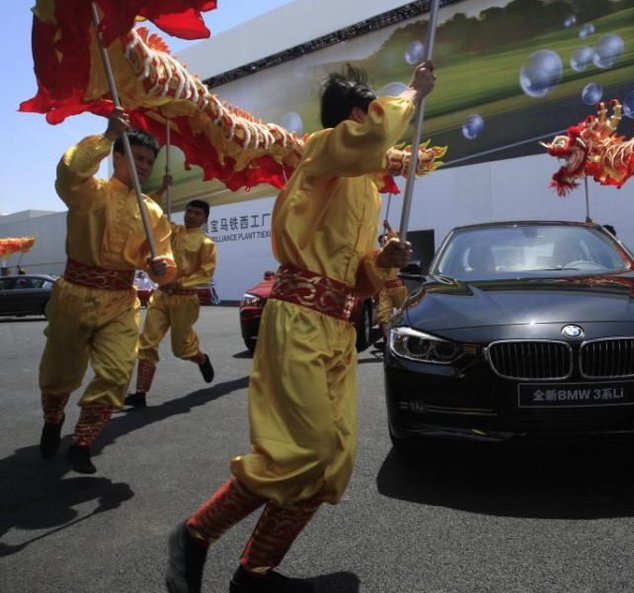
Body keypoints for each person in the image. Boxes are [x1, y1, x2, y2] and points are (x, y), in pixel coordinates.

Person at [164, 61, 435, 593]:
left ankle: (255, 572)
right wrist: (412, 92)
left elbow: (360, 279)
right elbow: (377, 133)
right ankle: (195, 534)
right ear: (355, 116)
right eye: (369, 111)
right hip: (298, 320)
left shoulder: (366, 191)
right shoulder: (322, 150)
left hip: (338, 328)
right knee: (299, 453)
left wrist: (385, 259)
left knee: (332, 463)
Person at [37, 108, 176, 474]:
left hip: (120, 300)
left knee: (116, 373)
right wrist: (107, 135)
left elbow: (161, 258)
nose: (143, 166)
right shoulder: (88, 193)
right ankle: (53, 419)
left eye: (149, 161)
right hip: (73, 296)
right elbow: (68, 174)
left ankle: (82, 443)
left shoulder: (153, 214)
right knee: (59, 375)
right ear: (118, 157)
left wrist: (161, 268)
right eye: (137, 157)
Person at [127, 198, 217, 408]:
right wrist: (161, 189)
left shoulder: (207, 244)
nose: (191, 215)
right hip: (160, 296)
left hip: (185, 300)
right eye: (189, 211)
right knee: (147, 342)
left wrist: (180, 283)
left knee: (181, 348)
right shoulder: (173, 231)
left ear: (204, 218)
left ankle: (201, 359)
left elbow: (206, 274)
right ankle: (140, 394)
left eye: (196, 213)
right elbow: (156, 217)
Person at [374, 222, 408, 349]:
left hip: (398, 287)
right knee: (383, 317)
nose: (384, 242)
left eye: (386, 240)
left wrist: (388, 228)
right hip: (384, 290)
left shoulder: (395, 253)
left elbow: (397, 240)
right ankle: (388, 342)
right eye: (382, 241)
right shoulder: (377, 256)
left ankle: (405, 340)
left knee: (406, 314)